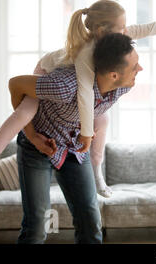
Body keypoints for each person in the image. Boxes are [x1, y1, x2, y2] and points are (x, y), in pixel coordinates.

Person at [0, 0, 156, 198]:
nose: (126, 30)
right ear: (102, 31)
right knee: (25, 113)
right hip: (46, 71)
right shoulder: (86, 53)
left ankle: (97, 173)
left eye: (125, 25)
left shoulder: (116, 37)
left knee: (102, 121)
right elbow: (84, 93)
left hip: (76, 89)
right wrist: (85, 133)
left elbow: (151, 27)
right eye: (121, 26)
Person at [9, 33, 139, 244]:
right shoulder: (63, 86)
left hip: (74, 147)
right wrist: (32, 136)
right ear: (114, 75)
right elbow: (15, 85)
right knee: (37, 226)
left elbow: (92, 106)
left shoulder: (124, 85)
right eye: (135, 67)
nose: (139, 70)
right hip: (37, 145)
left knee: (90, 220)